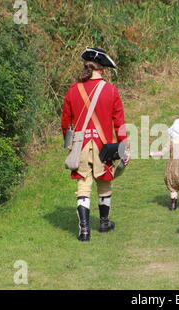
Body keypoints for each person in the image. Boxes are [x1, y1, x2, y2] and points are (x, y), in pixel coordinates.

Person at [61, 47, 129, 242]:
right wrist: (124, 146)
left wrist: (69, 145)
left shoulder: (73, 90)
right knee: (105, 181)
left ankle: (84, 230)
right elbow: (120, 123)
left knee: (83, 183)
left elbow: (66, 122)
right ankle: (104, 222)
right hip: (103, 144)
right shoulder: (111, 90)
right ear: (102, 69)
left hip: (80, 145)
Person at [150, 119, 179, 210]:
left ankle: (173, 205)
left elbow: (162, 153)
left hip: (172, 165)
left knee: (172, 186)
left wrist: (152, 153)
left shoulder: (171, 141)